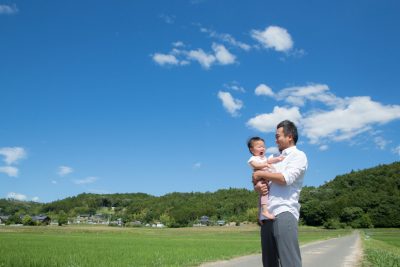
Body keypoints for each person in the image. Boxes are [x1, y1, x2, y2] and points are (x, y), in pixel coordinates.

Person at [252, 120, 308, 267]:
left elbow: (285, 179)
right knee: (269, 263)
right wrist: (257, 186)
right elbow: (262, 182)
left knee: (290, 262)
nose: (275, 140)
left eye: (278, 136)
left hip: (284, 211)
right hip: (266, 215)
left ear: (289, 136)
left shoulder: (298, 155)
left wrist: (260, 173)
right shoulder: (273, 159)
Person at [247, 137, 284, 220]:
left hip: (264, 178)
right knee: (264, 193)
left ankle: (260, 213)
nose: (262, 148)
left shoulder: (264, 158)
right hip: (261, 179)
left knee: (262, 196)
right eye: (259, 147)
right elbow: (255, 166)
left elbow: (270, 160)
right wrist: (265, 165)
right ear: (252, 150)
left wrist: (278, 159)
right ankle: (264, 211)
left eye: (263, 146)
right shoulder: (253, 158)